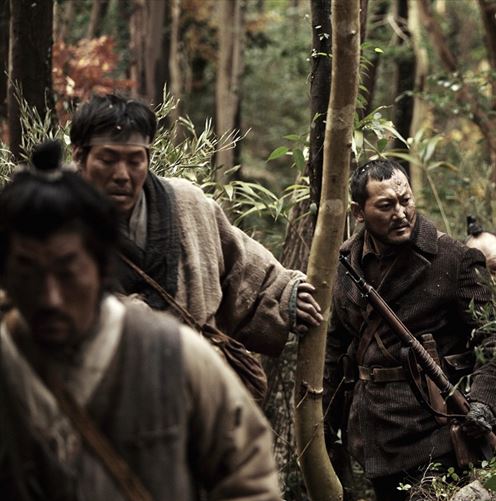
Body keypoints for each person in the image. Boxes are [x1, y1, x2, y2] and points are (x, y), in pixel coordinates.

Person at [0, 142, 282, 501]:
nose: (50, 297)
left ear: (100, 266)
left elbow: (248, 478)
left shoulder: (172, 353)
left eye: (67, 272)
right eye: (28, 272)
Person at [324, 159, 496, 501]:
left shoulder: (453, 258)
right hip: (375, 431)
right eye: (386, 206)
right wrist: (324, 423)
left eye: (405, 200)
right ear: (359, 213)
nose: (401, 213)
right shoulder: (347, 262)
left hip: (436, 429)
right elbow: (335, 347)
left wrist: (485, 401)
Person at [69, 93, 322, 361]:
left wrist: (286, 296)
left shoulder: (187, 203)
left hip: (194, 373)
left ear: (148, 158)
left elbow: (241, 264)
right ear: (79, 156)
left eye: (134, 161)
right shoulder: (53, 220)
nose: (122, 175)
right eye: (108, 160)